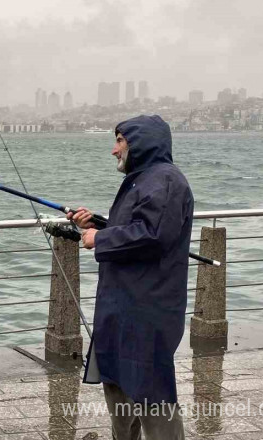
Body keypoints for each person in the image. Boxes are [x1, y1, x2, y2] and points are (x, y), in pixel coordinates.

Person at [67, 115, 193, 439]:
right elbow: (132, 229)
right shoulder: (142, 179)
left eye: (120, 141)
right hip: (120, 308)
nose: (114, 150)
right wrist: (94, 224)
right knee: (118, 389)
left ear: (141, 143)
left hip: (147, 312)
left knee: (154, 399)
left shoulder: (165, 180)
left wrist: (100, 239)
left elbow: (153, 236)